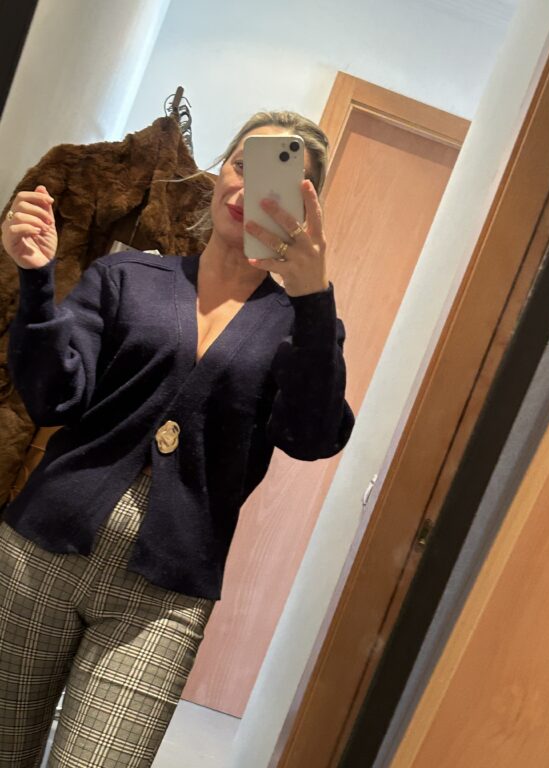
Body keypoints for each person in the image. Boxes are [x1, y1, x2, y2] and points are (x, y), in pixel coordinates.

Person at [0, 111, 354, 768]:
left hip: (164, 592)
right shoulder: (127, 276)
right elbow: (55, 398)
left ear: (305, 208)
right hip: (38, 552)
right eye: (243, 165)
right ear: (220, 172)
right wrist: (37, 282)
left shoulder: (301, 324)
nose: (250, 187)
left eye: (280, 179)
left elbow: (311, 436)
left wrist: (314, 300)